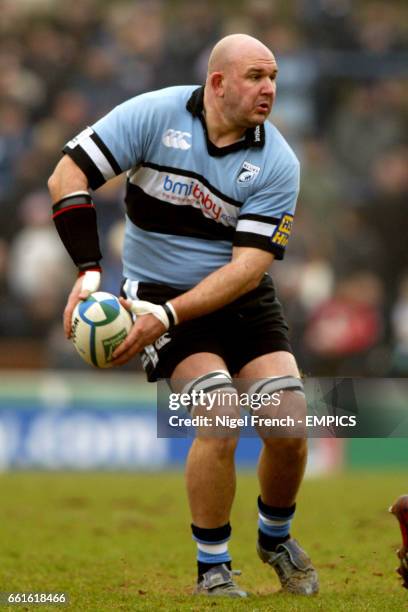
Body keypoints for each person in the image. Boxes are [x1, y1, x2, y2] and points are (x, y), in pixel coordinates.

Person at [48, 33, 319, 598]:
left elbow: (247, 271)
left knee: (290, 424)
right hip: (151, 294)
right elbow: (65, 177)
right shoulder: (154, 114)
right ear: (217, 82)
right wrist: (89, 270)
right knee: (219, 414)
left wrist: (169, 316)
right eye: (255, 76)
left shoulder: (277, 162)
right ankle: (213, 569)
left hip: (235, 297)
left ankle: (275, 537)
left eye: (273, 77)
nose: (269, 88)